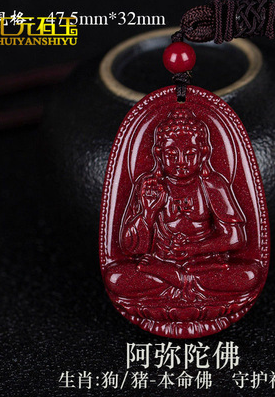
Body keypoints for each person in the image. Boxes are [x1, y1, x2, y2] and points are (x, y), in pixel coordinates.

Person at [105, 108, 260, 301]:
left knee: (249, 275)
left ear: (203, 153)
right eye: (171, 155)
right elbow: (131, 249)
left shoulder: (212, 185)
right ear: (159, 154)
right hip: (161, 262)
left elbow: (235, 238)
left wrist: (195, 249)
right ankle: (181, 281)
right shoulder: (149, 186)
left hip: (203, 265)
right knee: (116, 277)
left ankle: (177, 280)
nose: (180, 162)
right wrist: (148, 212)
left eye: (190, 154)